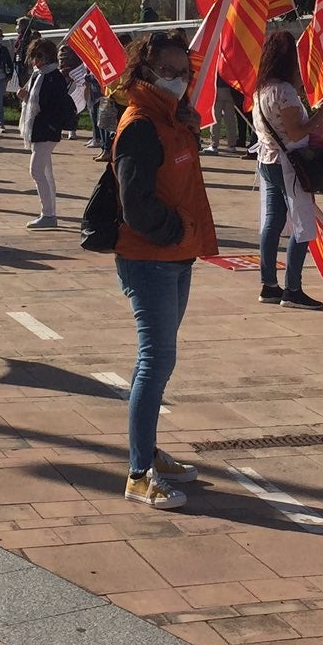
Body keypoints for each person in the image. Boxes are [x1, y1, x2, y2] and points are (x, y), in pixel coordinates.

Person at [110, 29, 216, 509]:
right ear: (145, 71)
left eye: (184, 71)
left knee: (156, 362)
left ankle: (146, 450)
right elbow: (136, 204)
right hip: (148, 256)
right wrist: (174, 230)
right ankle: (137, 473)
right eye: (168, 71)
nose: (177, 79)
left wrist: (187, 122)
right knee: (156, 360)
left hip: (176, 256)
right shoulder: (140, 125)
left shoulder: (174, 120)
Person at [253, 29, 323, 308]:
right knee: (302, 226)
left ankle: (269, 284)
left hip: (268, 161)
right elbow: (294, 132)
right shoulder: (285, 91)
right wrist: (321, 116)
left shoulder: (262, 90)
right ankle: (292, 289)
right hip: (290, 163)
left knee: (273, 222)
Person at [20, 38, 78, 229]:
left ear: (48, 56)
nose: (35, 60)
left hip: (47, 129)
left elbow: (54, 105)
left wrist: (53, 125)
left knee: (36, 170)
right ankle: (50, 212)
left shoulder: (53, 76)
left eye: (39, 56)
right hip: (38, 128)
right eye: (34, 56)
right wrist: (25, 97)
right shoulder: (39, 75)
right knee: (45, 171)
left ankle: (48, 214)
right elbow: (34, 101)